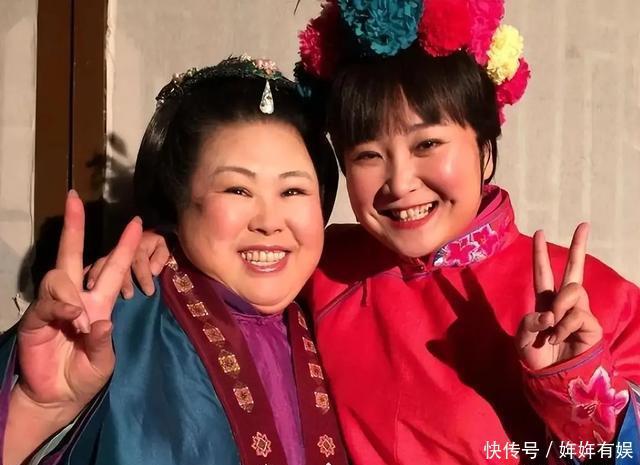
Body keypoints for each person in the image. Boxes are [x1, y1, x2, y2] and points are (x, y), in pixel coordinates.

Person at [99, 1, 640, 464]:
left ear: (485, 148)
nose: (400, 183)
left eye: (427, 144)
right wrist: (168, 242)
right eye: (367, 155)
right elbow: (237, 255)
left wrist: (581, 395)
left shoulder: (598, 301)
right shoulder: (325, 269)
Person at [0, 56, 349, 465]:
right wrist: (36, 410)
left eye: (292, 191)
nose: (269, 222)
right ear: (177, 203)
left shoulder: (341, 306)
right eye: (237, 190)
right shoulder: (110, 323)